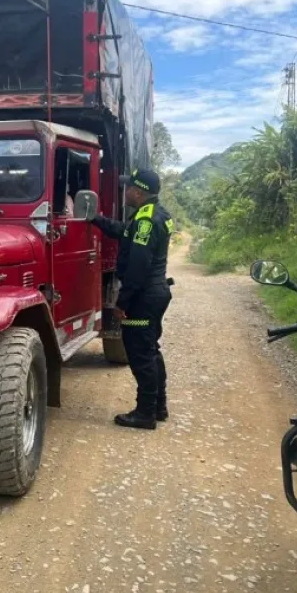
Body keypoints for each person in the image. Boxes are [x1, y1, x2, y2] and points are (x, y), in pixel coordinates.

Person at [91, 167, 173, 430]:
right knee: (150, 349)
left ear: (138, 192)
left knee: (140, 354)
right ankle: (158, 407)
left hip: (143, 297)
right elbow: (123, 231)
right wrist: (94, 218)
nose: (125, 191)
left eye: (128, 188)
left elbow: (138, 268)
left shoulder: (146, 222)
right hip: (154, 293)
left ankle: (145, 413)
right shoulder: (153, 214)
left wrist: (122, 303)